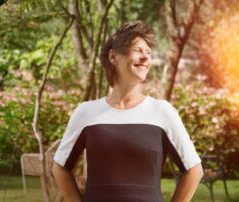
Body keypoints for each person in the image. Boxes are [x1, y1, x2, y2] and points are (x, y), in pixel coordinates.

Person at [52, 21, 203, 202]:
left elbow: (194, 170)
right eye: (138, 50)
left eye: (148, 52)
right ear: (113, 57)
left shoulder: (162, 112)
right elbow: (60, 167)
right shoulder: (86, 113)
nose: (146, 58)